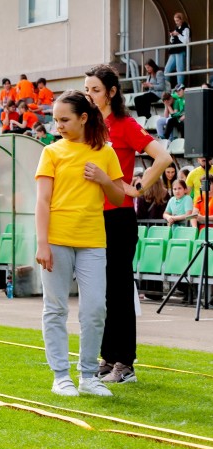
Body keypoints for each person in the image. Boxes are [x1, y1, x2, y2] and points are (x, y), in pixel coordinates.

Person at [85, 64, 174, 384]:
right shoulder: (89, 126)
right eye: (87, 90)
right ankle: (108, 358)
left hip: (119, 217)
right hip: (93, 216)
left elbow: (163, 158)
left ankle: (126, 363)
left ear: (111, 92)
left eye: (95, 90)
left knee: (120, 291)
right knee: (102, 291)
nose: (90, 95)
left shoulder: (124, 125)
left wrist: (135, 188)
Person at [35, 90, 125, 397]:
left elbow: (117, 198)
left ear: (83, 118)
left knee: (95, 308)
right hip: (57, 240)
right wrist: (42, 243)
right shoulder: (51, 152)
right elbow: (43, 201)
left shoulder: (106, 153)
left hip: (92, 241)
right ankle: (61, 376)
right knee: (56, 309)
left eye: (64, 119)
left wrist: (103, 178)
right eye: (55, 119)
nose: (58, 125)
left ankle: (89, 376)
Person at [165, 12, 191, 89]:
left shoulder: (186, 28)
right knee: (167, 69)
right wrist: (172, 36)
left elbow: (186, 41)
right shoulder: (177, 28)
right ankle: (167, 88)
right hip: (174, 50)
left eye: (177, 21)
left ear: (181, 20)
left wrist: (178, 34)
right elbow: (172, 41)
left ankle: (179, 88)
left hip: (180, 51)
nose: (176, 22)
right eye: (175, 21)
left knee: (180, 70)